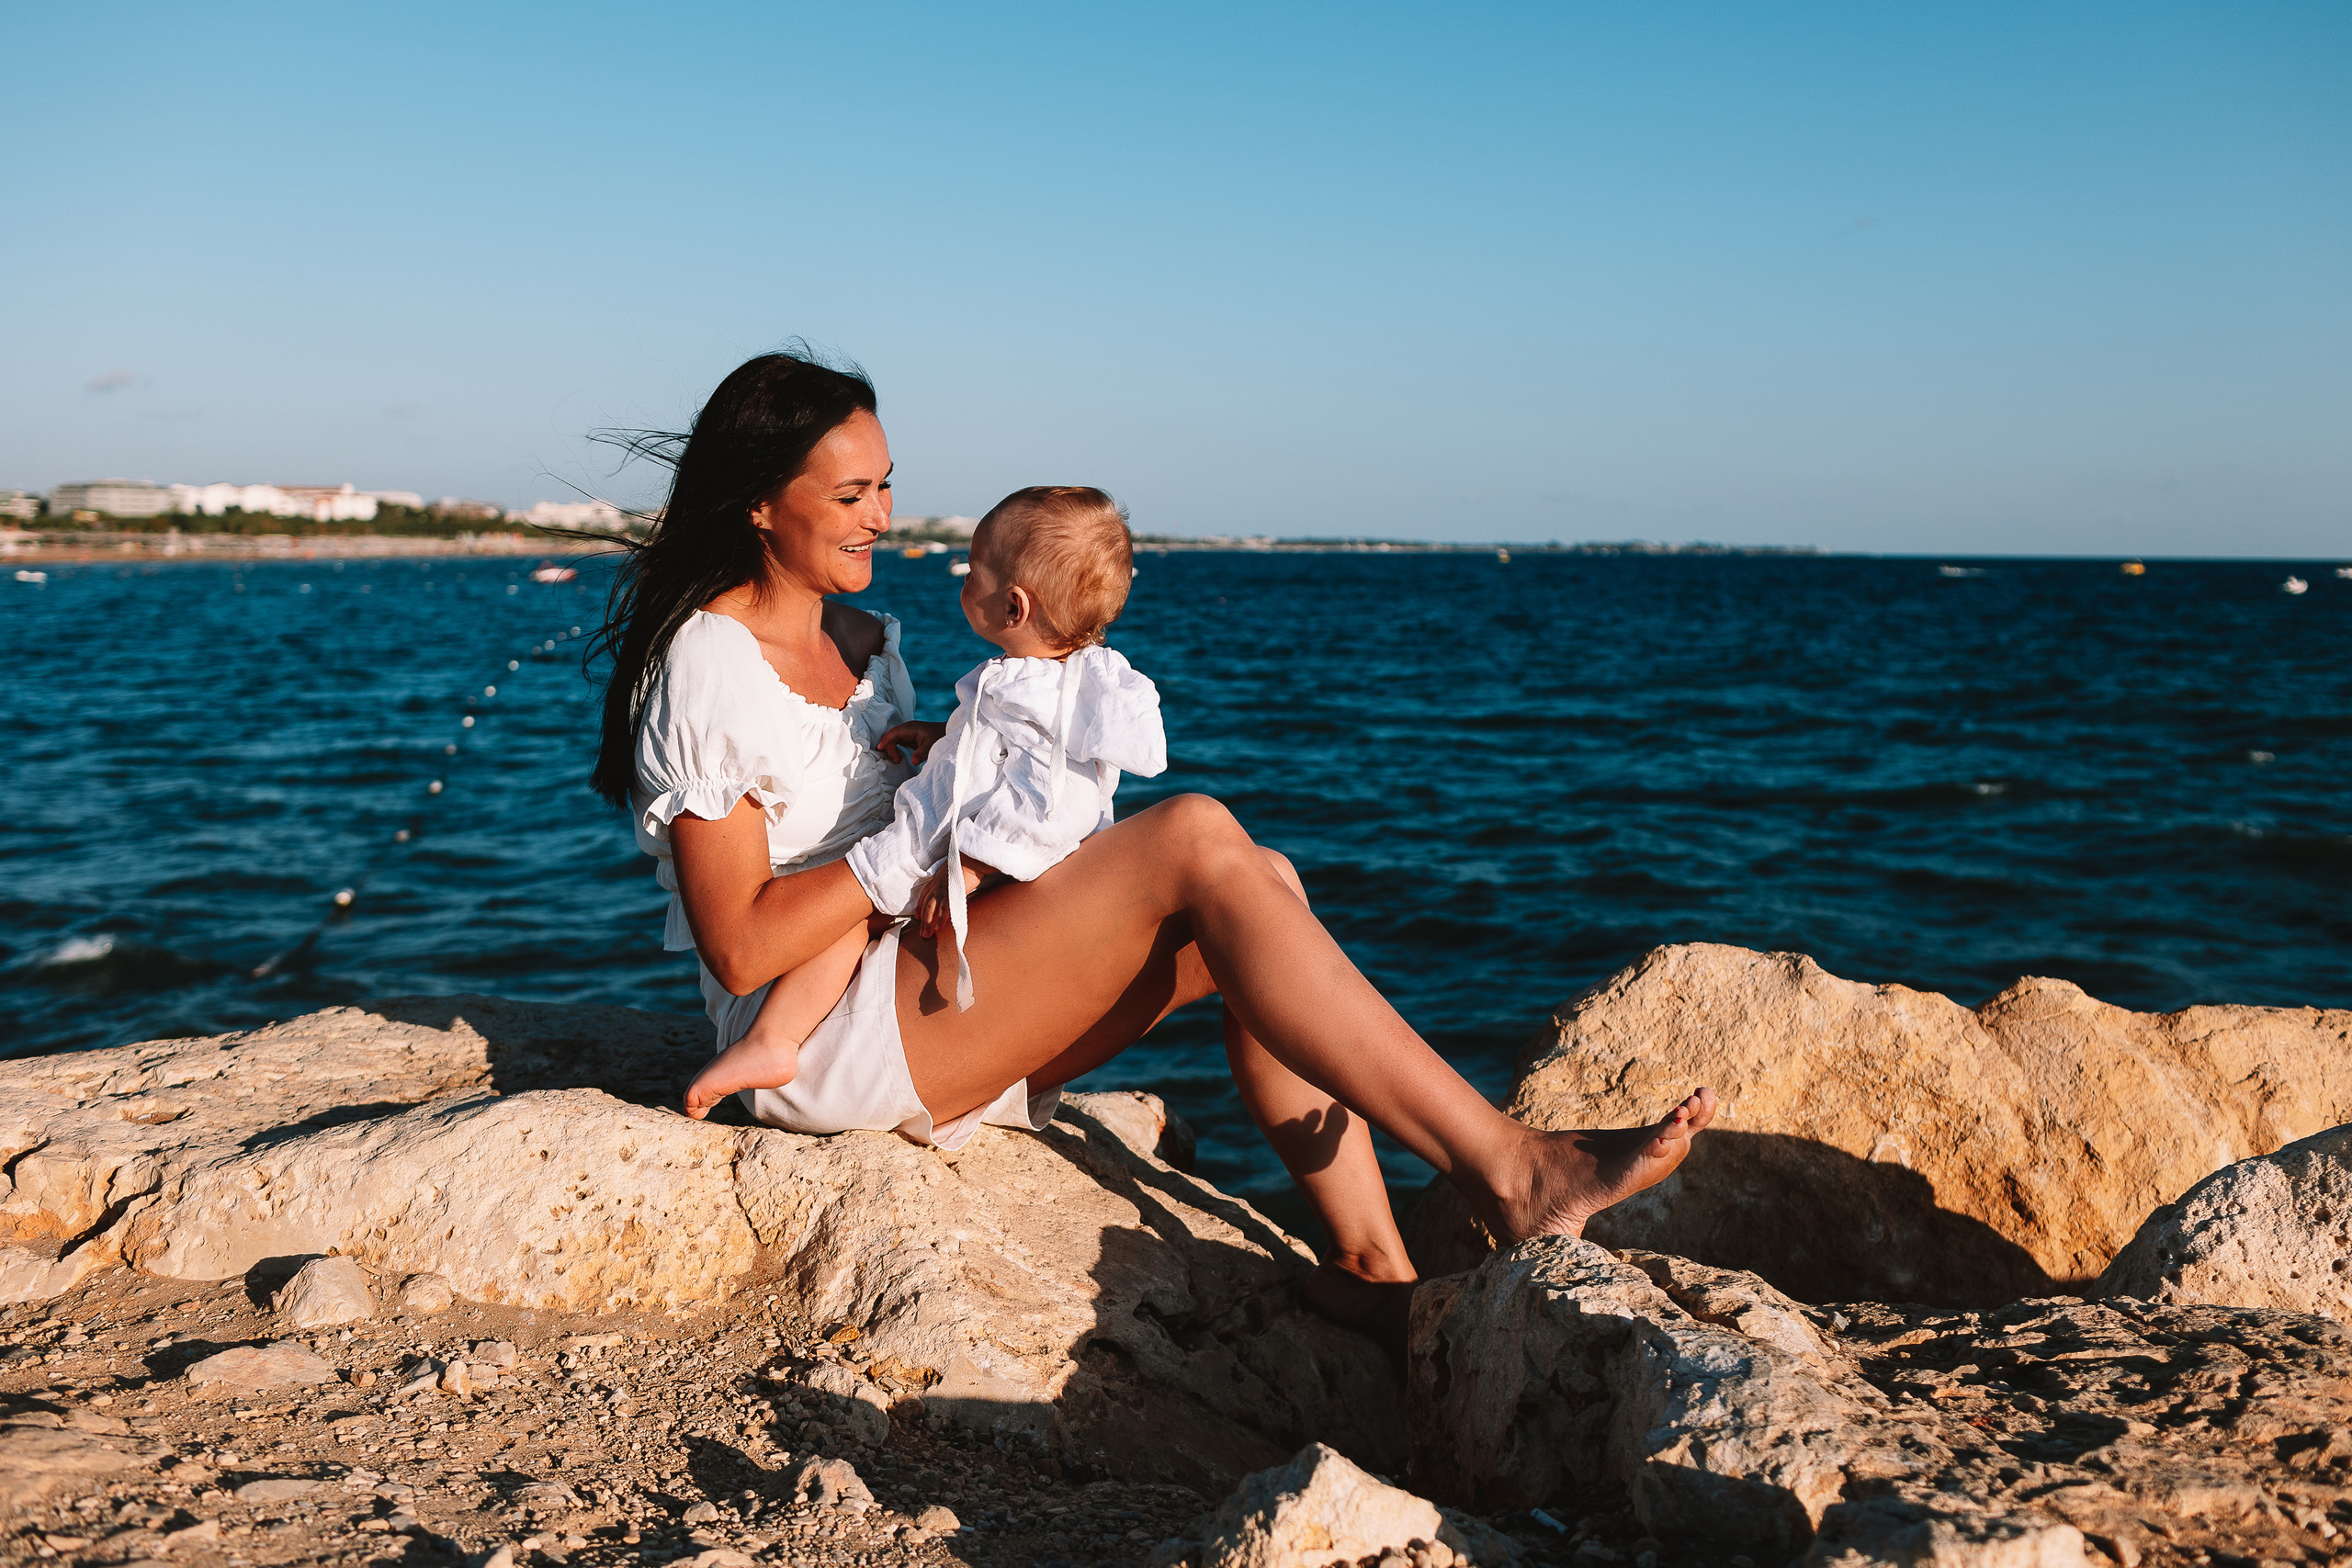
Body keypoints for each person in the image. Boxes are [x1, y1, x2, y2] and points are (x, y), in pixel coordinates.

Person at [592, 347, 1714, 1339]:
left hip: (905, 969)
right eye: (850, 493)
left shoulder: (864, 636)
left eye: (886, 483)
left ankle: (1373, 1264)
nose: (883, 515)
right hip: (812, 1034)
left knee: (1261, 892)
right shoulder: (706, 665)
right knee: (1190, 835)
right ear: (755, 502)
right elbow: (739, 949)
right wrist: (907, 865)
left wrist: (940, 816)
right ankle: (1509, 1169)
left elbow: (925, 798)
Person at [687, 483, 1163, 1112]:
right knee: (858, 911)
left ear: (1015, 607)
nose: (963, 582)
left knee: (851, 910)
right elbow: (1007, 752)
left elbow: (1056, 801)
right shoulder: (1046, 682)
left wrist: (969, 864)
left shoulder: (1047, 696)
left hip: (958, 863)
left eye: (974, 574)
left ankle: (776, 1036)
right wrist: (947, 733)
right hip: (960, 867)